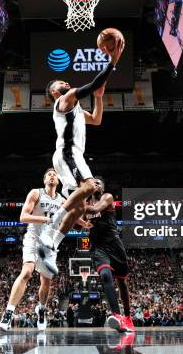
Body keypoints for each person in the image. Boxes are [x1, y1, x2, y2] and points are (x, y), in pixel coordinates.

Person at [38, 37, 126, 275]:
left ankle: (51, 245)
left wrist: (99, 97)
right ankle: (51, 227)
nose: (65, 82)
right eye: (61, 82)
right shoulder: (63, 101)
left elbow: (96, 120)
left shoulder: (75, 108)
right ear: (55, 92)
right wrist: (112, 62)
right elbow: (91, 83)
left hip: (69, 155)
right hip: (68, 153)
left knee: (77, 209)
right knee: (90, 185)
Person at [0, 168, 66, 332]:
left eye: (55, 174)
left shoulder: (62, 200)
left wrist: (85, 224)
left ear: (58, 181)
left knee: (46, 282)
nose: (52, 175)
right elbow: (23, 217)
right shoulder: (36, 193)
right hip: (33, 238)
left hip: (49, 243)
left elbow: (73, 217)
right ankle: (8, 315)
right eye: (49, 174)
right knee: (27, 272)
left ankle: (41, 309)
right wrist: (46, 219)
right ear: (44, 180)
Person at [85, 177, 134, 333]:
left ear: (103, 187)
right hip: (98, 247)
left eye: (99, 183)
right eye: (94, 183)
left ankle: (127, 316)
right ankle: (117, 315)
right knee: (105, 276)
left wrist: (72, 203)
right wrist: (79, 220)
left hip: (114, 244)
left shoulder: (107, 197)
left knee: (122, 283)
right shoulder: (85, 203)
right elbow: (76, 224)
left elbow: (93, 210)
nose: (96, 185)